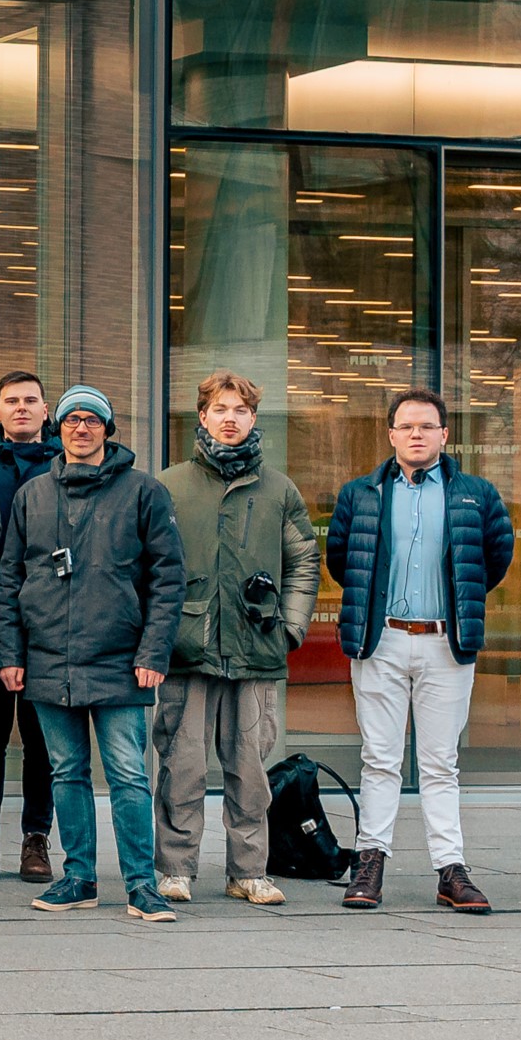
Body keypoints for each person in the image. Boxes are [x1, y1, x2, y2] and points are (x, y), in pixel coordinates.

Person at [0, 385, 190, 923]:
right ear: (57, 428)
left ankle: (141, 884)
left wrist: (154, 652)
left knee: (128, 774)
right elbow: (9, 580)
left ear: (108, 428)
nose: (81, 428)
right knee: (66, 773)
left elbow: (168, 580)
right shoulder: (33, 496)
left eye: (92, 420)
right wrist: (9, 653)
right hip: (48, 658)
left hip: (121, 660)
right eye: (72, 420)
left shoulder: (144, 493)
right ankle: (79, 877)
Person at [325, 388, 514, 913]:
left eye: (427, 426)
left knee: (440, 763)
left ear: (444, 434)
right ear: (391, 434)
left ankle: (451, 870)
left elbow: (494, 558)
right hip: (380, 641)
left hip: (445, 643)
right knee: (379, 759)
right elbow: (342, 560)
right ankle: (369, 864)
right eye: (406, 426)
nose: (416, 434)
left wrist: (458, 601)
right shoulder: (360, 494)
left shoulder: (476, 494)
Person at [157, 371, 319, 906]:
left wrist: (291, 627)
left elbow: (304, 561)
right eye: (221, 409)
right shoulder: (170, 486)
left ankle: (248, 871)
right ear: (202, 416)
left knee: (250, 770)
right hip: (187, 647)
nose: (231, 419)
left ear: (254, 418)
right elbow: (147, 565)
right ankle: (174, 869)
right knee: (181, 765)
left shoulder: (279, 489)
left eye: (241, 410)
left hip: (256, 646)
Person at [0, 371, 62, 883]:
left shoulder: (67, 465)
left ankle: (36, 839)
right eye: (11, 401)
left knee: (41, 738)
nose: (21, 407)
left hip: (50, 621)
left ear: (46, 411)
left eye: (30, 400)